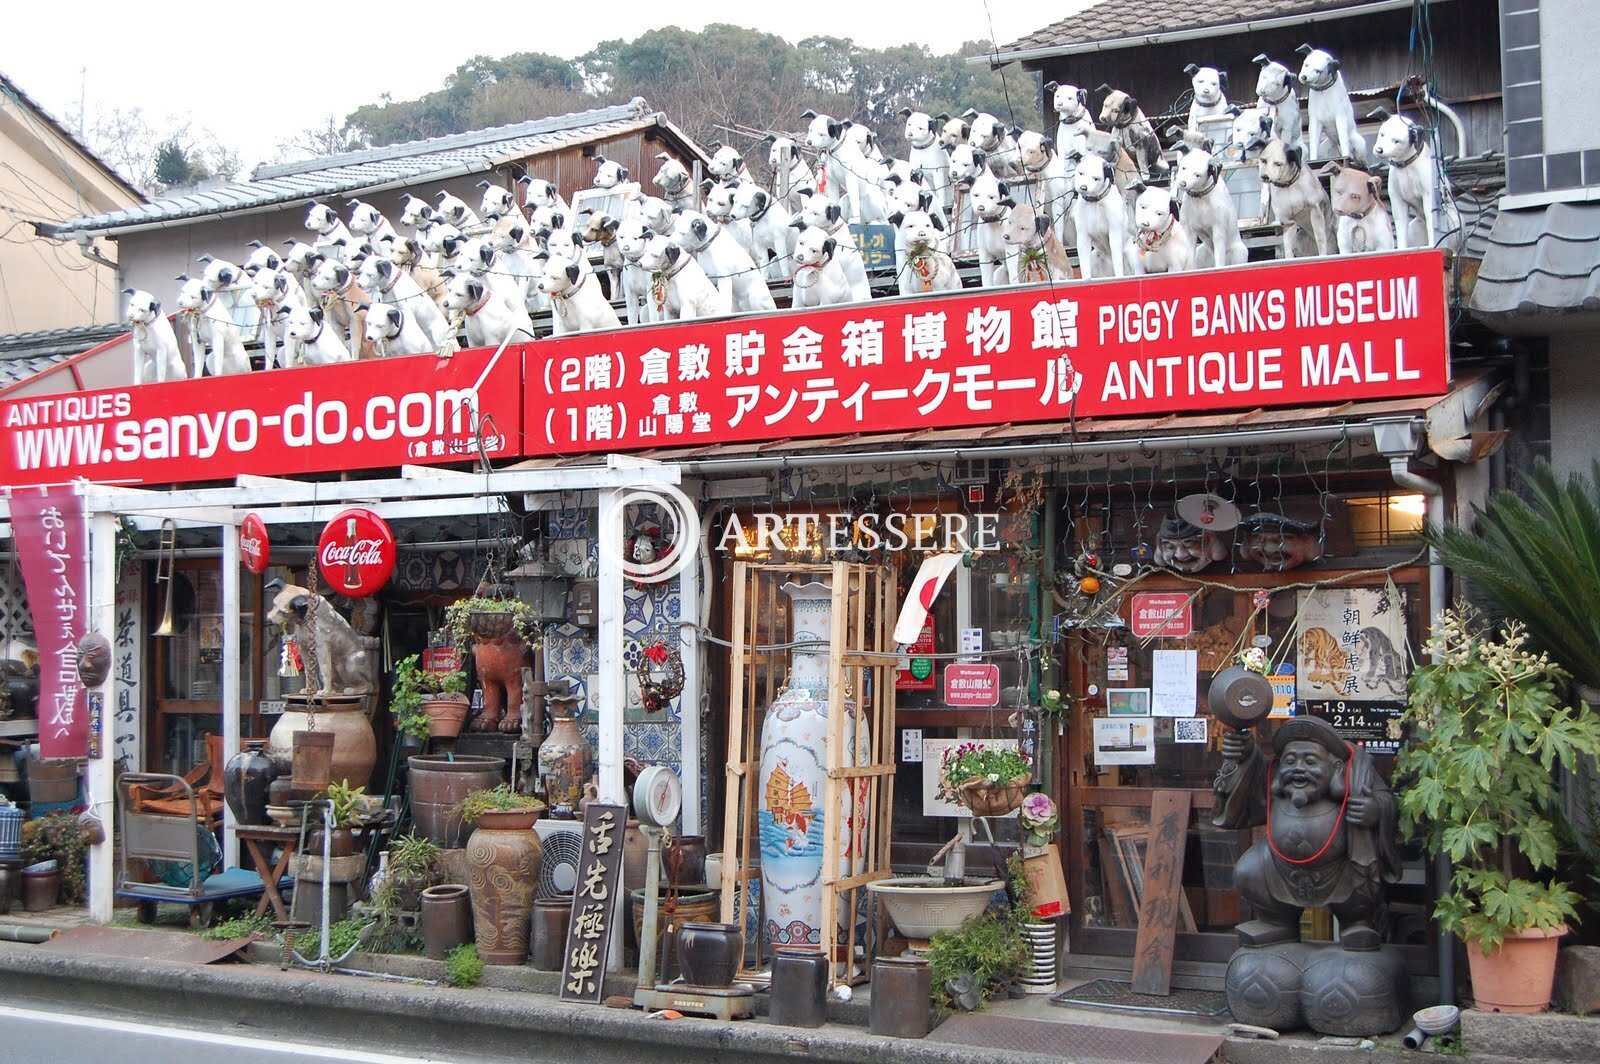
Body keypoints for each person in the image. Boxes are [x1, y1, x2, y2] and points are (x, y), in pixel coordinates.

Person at [1213, 715, 1399, 951]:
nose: (1298, 768)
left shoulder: (1357, 778)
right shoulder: (1274, 782)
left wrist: (1376, 810)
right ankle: (1276, 922)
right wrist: (1241, 756)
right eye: (1290, 761)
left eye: (1310, 761)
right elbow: (1246, 792)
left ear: (1336, 767)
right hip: (1278, 868)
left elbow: (1386, 800)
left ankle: (1356, 924)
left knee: (1362, 879)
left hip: (1339, 870)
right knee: (1248, 870)